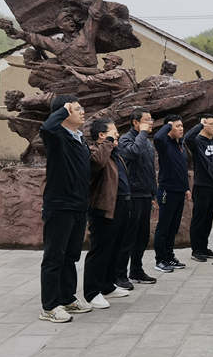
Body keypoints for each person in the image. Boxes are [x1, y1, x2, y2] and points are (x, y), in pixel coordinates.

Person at [37, 94, 93, 323]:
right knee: (54, 257)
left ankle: (67, 298)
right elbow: (46, 128)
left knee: (70, 256)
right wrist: (62, 110)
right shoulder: (57, 136)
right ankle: (49, 306)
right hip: (59, 206)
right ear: (65, 112)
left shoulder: (79, 138)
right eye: (77, 108)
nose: (82, 112)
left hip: (79, 206)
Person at [0, 0, 108, 69]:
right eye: (66, 20)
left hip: (92, 76)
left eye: (72, 20)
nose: (71, 22)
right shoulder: (57, 44)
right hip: (71, 79)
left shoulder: (85, 35)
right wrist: (14, 31)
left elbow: (94, 17)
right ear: (60, 26)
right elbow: (35, 38)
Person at [83, 118, 132, 308]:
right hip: (104, 207)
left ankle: (107, 285)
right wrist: (108, 142)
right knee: (100, 249)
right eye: (113, 131)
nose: (117, 134)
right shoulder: (96, 150)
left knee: (115, 247)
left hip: (121, 205)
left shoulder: (114, 153)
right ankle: (92, 292)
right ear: (102, 135)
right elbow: (96, 163)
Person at [116, 107, 158, 288]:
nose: (151, 123)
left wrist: (154, 193)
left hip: (145, 195)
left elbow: (150, 169)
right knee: (128, 237)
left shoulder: (147, 142)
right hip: (131, 195)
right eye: (147, 120)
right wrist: (141, 134)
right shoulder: (126, 139)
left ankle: (136, 270)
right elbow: (132, 153)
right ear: (135, 122)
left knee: (142, 237)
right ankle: (119, 275)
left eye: (151, 119)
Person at [152, 114, 191, 272]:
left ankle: (169, 256)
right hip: (167, 192)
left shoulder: (180, 145)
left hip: (179, 191)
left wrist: (186, 188)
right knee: (164, 227)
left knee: (173, 227)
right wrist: (168, 125)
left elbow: (182, 169)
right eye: (177, 126)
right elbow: (157, 137)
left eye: (182, 126)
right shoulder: (164, 144)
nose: (181, 129)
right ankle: (160, 260)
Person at [185, 115, 213, 262]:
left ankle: (204, 247)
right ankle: (196, 250)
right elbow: (187, 138)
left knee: (208, 219)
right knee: (199, 219)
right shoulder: (197, 142)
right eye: (211, 124)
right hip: (202, 186)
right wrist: (200, 125)